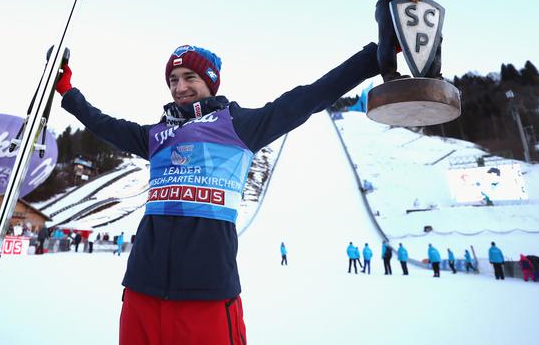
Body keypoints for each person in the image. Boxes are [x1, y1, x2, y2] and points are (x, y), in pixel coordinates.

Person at [57, 42, 380, 344]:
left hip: (206, 292)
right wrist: (68, 93)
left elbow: (309, 97)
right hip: (142, 288)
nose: (180, 87)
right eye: (172, 79)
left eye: (189, 77)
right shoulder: (155, 135)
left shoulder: (240, 125)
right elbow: (104, 124)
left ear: (211, 81)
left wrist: (373, 58)